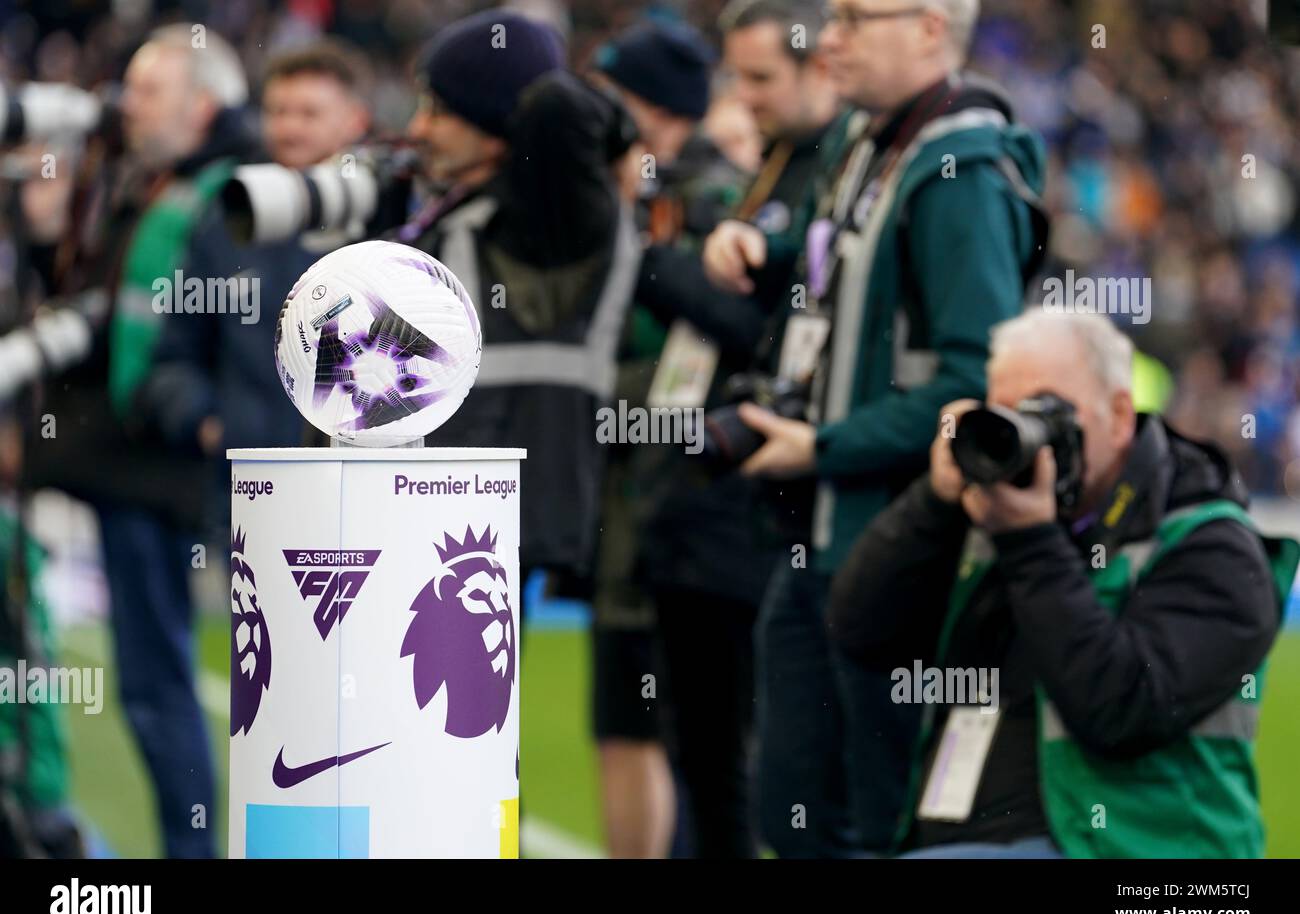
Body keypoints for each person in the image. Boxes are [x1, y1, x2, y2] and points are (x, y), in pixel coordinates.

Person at [702, 0, 1048, 856]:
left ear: (930, 29)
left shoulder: (958, 170)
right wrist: (761, 249)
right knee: (793, 804)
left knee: (871, 815)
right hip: (821, 534)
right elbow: (845, 269)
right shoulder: (872, 142)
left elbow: (978, 377)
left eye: (858, 17)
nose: (831, 38)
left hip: (891, 546)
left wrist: (821, 446)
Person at [827, 309, 1299, 858]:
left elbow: (1119, 710)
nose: (1025, 435)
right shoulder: (991, 512)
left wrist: (1030, 541)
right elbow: (857, 628)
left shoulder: (1210, 544)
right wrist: (934, 501)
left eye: (1046, 410)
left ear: (1120, 415)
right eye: (1005, 413)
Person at [22, 25, 256, 858]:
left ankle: (191, 854)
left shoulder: (227, 198)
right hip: (144, 471)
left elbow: (213, 349)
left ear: (203, 104)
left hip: (172, 477)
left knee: (165, 688)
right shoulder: (158, 188)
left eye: (148, 90)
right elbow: (105, 320)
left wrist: (204, 422)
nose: (127, 105)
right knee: (156, 686)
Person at [399, 9, 639, 595]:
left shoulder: (551, 214)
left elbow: (555, 106)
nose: (418, 129)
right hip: (443, 488)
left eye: (440, 110)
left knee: (462, 685)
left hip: (497, 497)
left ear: (497, 125)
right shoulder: (463, 204)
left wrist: (619, 133)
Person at [588, 18, 748, 858]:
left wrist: (595, 397)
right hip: (631, 496)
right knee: (628, 720)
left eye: (616, 96)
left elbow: (734, 345)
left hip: (682, 504)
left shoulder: (712, 203)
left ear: (655, 110)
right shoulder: (634, 194)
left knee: (662, 729)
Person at [140, 40, 373, 533]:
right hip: (250, 485)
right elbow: (176, 350)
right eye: (278, 111)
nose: (289, 127)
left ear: (354, 120)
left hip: (365, 484)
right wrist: (210, 424)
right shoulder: (225, 221)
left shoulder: (387, 220)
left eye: (309, 113)